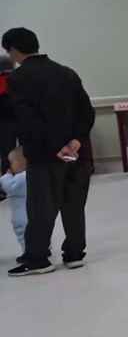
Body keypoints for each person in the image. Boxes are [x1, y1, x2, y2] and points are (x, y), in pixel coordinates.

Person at [2, 27, 95, 277]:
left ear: (13, 50)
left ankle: (38, 259)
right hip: (76, 153)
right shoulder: (66, 72)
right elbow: (86, 111)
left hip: (44, 154)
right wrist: (75, 140)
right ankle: (74, 254)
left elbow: (29, 120)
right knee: (74, 204)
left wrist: (55, 147)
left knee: (41, 207)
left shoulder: (19, 78)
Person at [1, 147, 27, 255]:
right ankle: (44, 248)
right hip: (30, 213)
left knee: (24, 236)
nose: (10, 167)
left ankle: (27, 253)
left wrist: (6, 177)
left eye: (12, 163)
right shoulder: (32, 176)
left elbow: (10, 187)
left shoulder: (22, 177)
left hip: (23, 215)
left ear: (22, 164)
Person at [0, 54, 15, 199]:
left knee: (5, 155)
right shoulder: (19, 81)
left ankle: (4, 187)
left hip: (3, 125)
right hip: (23, 122)